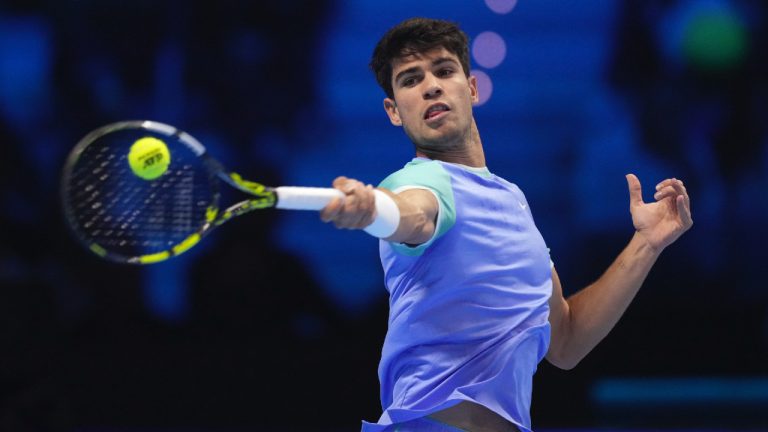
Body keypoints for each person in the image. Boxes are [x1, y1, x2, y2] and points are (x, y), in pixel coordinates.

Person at [320, 17, 693, 432]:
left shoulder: (512, 199)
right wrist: (373, 208)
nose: (431, 86)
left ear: (472, 88)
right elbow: (413, 213)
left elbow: (566, 341)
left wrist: (647, 243)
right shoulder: (418, 181)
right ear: (393, 111)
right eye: (410, 80)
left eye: (444, 71)